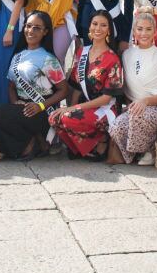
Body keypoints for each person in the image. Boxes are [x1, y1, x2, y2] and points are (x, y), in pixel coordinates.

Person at [0, 11, 68, 161]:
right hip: (21, 109)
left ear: (45, 32)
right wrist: (14, 102)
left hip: (41, 111)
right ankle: (32, 144)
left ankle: (33, 141)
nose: (30, 31)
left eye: (37, 28)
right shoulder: (18, 55)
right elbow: (11, 86)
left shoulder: (48, 59)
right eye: (28, 26)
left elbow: (64, 90)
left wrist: (41, 106)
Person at [50, 9, 123, 160]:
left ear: (109, 30)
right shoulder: (81, 52)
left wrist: (73, 108)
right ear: (89, 27)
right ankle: (88, 147)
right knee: (54, 117)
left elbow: (106, 99)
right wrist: (69, 107)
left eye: (103, 25)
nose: (98, 28)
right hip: (85, 106)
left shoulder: (112, 58)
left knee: (66, 117)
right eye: (95, 24)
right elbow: (76, 88)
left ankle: (101, 142)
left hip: (104, 109)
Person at [106, 11, 157, 165]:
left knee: (138, 116)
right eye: (140, 29)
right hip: (135, 107)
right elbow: (128, 89)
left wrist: (144, 102)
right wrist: (131, 103)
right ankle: (137, 153)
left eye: (149, 29)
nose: (144, 33)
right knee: (116, 127)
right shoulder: (127, 54)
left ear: (155, 32)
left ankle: (149, 150)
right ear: (134, 31)